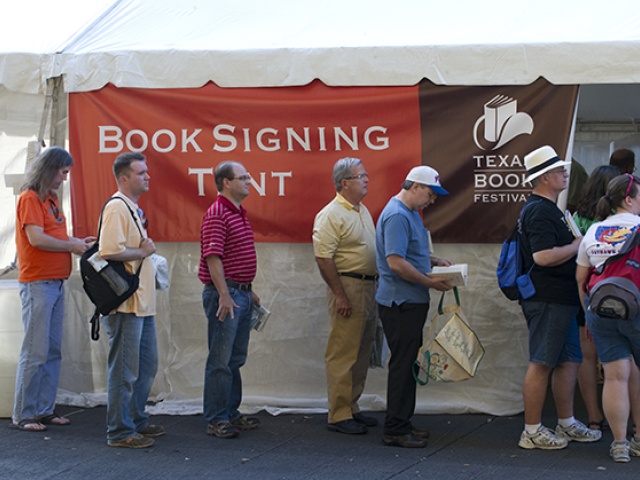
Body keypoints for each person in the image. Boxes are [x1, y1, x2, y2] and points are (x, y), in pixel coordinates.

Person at [517, 145, 602, 450]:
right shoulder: (539, 210)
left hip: (560, 298)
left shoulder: (547, 208)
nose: (565, 174)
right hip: (548, 297)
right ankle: (531, 430)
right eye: (558, 170)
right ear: (543, 178)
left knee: (569, 360)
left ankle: (565, 423)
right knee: (542, 362)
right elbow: (542, 256)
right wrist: (578, 245)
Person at [12, 146, 94, 432]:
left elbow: (54, 235)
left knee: (52, 351)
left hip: (55, 283)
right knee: (35, 351)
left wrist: (78, 241)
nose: (64, 177)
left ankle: (43, 409)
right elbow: (37, 239)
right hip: (38, 283)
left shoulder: (51, 200)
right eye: (62, 172)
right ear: (49, 169)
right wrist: (71, 245)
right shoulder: (29, 199)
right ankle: (24, 413)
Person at [375, 165, 453, 448]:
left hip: (408, 300)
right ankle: (395, 428)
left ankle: (402, 422)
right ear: (415, 187)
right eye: (430, 195)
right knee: (403, 365)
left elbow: (407, 254)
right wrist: (429, 282)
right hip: (402, 302)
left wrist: (433, 261)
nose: (431, 201)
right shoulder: (398, 215)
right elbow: (395, 262)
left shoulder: (407, 213)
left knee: (408, 364)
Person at [99, 151, 164, 448]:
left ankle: (135, 420)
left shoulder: (131, 208)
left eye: (146, 172)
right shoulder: (117, 208)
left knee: (146, 365)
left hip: (140, 302)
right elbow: (108, 251)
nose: (147, 176)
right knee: (125, 369)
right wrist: (142, 252)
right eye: (140, 173)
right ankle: (119, 430)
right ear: (124, 178)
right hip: (126, 303)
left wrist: (143, 251)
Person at [576, 173, 640, 462]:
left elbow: (581, 279)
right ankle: (638, 437)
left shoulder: (594, 232)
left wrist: (589, 316)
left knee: (614, 377)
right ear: (629, 199)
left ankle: (618, 444)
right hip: (637, 310)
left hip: (600, 311)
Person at [313, 157, 378, 435]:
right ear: (344, 183)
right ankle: (338, 414)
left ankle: (352, 406)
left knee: (362, 350)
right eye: (361, 176)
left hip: (369, 286)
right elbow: (323, 257)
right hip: (348, 286)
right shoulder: (331, 214)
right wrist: (339, 294)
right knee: (343, 352)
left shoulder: (361, 210)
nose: (366, 179)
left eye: (366, 175)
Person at [199, 160, 261, 439]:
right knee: (221, 360)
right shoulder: (217, 214)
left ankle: (230, 413)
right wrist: (225, 294)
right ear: (226, 182)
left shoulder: (236, 212)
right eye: (243, 177)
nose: (249, 180)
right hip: (228, 295)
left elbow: (232, 257)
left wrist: (248, 290)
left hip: (240, 293)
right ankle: (217, 418)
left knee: (234, 358)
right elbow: (213, 256)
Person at [572, 165, 620, 431]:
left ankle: (594, 417)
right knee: (624, 362)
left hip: (587, 293)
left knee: (586, 357)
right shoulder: (622, 218)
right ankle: (630, 422)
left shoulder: (579, 217)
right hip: (622, 295)